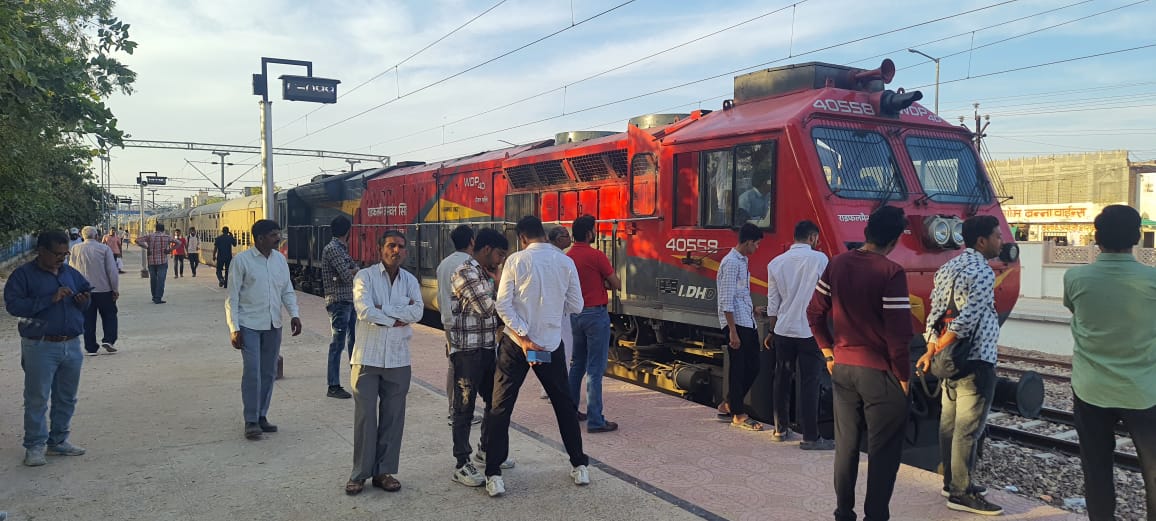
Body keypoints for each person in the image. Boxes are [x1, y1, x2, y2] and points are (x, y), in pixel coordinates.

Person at [808, 205, 911, 521]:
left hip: (843, 370)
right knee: (883, 452)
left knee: (846, 446)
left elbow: (814, 312)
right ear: (894, 239)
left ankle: (844, 513)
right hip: (879, 373)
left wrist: (828, 352)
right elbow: (898, 336)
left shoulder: (836, 264)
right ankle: (875, 516)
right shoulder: (891, 272)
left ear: (866, 231)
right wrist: (903, 378)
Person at [485, 216, 590, 498]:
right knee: (564, 405)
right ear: (543, 234)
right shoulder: (565, 262)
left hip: (515, 345)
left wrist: (524, 334)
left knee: (500, 407)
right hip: (550, 344)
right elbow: (577, 305)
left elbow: (503, 305)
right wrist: (551, 313)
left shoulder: (515, 261)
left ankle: (493, 474)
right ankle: (579, 465)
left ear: (522, 238)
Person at [1063, 205, 1156, 521]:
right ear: (1137, 237)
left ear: (1097, 237)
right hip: (1144, 391)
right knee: (1153, 470)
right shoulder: (1152, 280)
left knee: (1097, 468)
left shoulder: (1075, 278)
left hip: (1090, 388)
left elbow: (1076, 310)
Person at [915, 215, 1004, 515]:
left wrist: (932, 348)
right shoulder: (983, 272)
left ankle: (951, 481)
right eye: (997, 236)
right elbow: (967, 319)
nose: (1001, 241)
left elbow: (934, 315)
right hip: (975, 359)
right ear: (982, 241)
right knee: (968, 428)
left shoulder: (947, 268)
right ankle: (961, 493)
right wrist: (942, 344)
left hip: (949, 361)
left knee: (948, 423)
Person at [4, 230, 93, 467]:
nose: (61, 258)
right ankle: (34, 446)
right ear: (41, 251)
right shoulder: (23, 276)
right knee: (37, 398)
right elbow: (13, 306)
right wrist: (49, 299)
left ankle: (58, 441)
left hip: (71, 344)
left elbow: (86, 293)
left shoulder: (70, 273)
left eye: (65, 254)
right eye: (57, 254)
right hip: (40, 345)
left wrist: (83, 301)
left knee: (66, 397)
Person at [344, 231, 423, 496]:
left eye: (401, 246)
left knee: (393, 417)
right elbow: (364, 310)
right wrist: (397, 316)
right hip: (367, 357)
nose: (396, 250)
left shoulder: (410, 280)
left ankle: (384, 472)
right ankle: (359, 474)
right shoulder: (364, 277)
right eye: (391, 245)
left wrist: (383, 310)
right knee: (365, 418)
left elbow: (418, 311)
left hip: (399, 358)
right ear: (380, 249)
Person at [224, 220, 302, 440]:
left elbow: (287, 290)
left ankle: (261, 416)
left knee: (268, 373)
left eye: (278, 234)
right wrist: (234, 328)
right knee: (252, 372)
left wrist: (294, 314)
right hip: (248, 325)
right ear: (260, 238)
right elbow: (232, 297)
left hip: (273, 324)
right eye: (273, 235)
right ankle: (250, 420)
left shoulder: (280, 260)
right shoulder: (241, 261)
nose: (278, 238)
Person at [447, 228, 511, 487]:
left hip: (486, 349)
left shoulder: (484, 274)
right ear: (486, 249)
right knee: (464, 407)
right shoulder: (465, 272)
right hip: (467, 352)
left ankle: (486, 448)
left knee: (495, 402)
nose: (501, 260)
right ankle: (461, 463)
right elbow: (487, 308)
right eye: (500, 254)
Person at [764, 220, 831, 449]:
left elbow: (773, 303)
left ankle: (780, 429)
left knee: (781, 378)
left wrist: (772, 331)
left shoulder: (775, 263)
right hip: (809, 331)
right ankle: (810, 436)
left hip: (783, 330)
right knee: (810, 382)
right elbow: (827, 295)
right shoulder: (820, 259)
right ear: (812, 237)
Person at [567, 215, 621, 433]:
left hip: (576, 315)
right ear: (589, 233)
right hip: (596, 315)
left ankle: (570, 411)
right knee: (595, 369)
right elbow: (616, 283)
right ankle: (596, 420)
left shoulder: (567, 257)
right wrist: (603, 281)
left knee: (577, 364)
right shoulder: (596, 255)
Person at [716, 223, 766, 431]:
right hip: (736, 324)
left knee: (753, 366)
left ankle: (728, 404)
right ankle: (737, 413)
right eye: (756, 244)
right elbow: (726, 300)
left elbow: (739, 294)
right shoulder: (731, 263)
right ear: (748, 242)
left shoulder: (742, 261)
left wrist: (753, 309)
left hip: (746, 320)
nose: (757, 248)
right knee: (738, 368)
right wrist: (732, 332)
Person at [436, 225, 475, 424]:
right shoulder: (471, 264)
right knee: (468, 367)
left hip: (448, 322)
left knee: (453, 365)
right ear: (471, 241)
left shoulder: (443, 264)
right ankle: (462, 411)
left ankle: (452, 408)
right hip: (466, 324)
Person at [321, 216, 359, 399]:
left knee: (354, 342)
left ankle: (358, 379)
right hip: (338, 302)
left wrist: (351, 270)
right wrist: (352, 271)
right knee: (337, 343)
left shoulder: (341, 249)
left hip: (348, 301)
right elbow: (348, 275)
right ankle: (333, 385)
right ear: (348, 231)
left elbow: (353, 269)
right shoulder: (333, 249)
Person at [69, 226, 120, 356]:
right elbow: (112, 271)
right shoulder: (104, 249)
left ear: (82, 236)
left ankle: (90, 347)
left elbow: (71, 270)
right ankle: (109, 340)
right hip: (104, 289)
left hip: (84, 291)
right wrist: (115, 289)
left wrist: (74, 290)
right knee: (109, 315)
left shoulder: (75, 249)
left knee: (87, 319)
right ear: (97, 236)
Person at [544, 225, 576, 404]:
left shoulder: (543, 257)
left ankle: (545, 388)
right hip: (560, 310)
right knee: (564, 351)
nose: (570, 238)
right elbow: (573, 295)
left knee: (545, 350)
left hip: (543, 310)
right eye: (566, 236)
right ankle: (557, 391)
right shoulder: (564, 260)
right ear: (557, 239)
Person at [134, 223, 174, 304]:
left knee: (153, 280)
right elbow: (178, 243)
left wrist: (146, 247)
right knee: (161, 280)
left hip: (151, 261)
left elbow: (137, 240)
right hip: (162, 262)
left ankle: (154, 296)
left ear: (156, 229)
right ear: (163, 229)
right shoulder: (167, 237)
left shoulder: (150, 236)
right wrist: (170, 250)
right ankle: (158, 298)